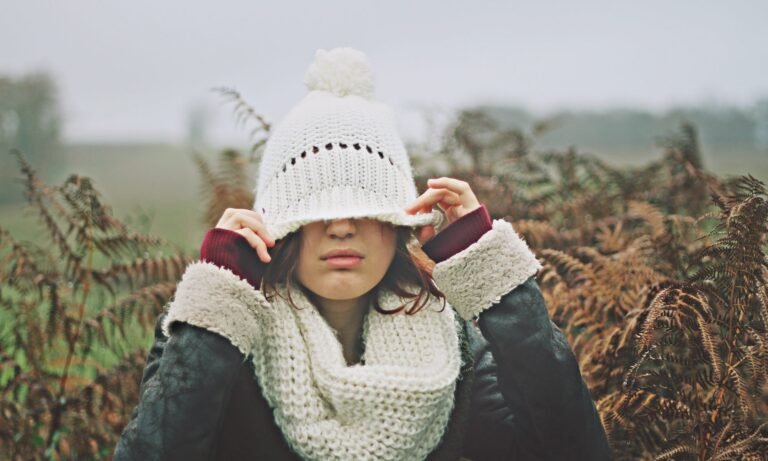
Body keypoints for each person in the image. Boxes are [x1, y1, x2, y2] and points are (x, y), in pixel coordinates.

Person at [113, 47, 611, 461]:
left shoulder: (456, 352)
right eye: (316, 209)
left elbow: (570, 449)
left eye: (365, 208)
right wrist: (216, 306)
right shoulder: (218, 340)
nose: (343, 226)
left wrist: (493, 277)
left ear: (398, 226)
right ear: (282, 228)